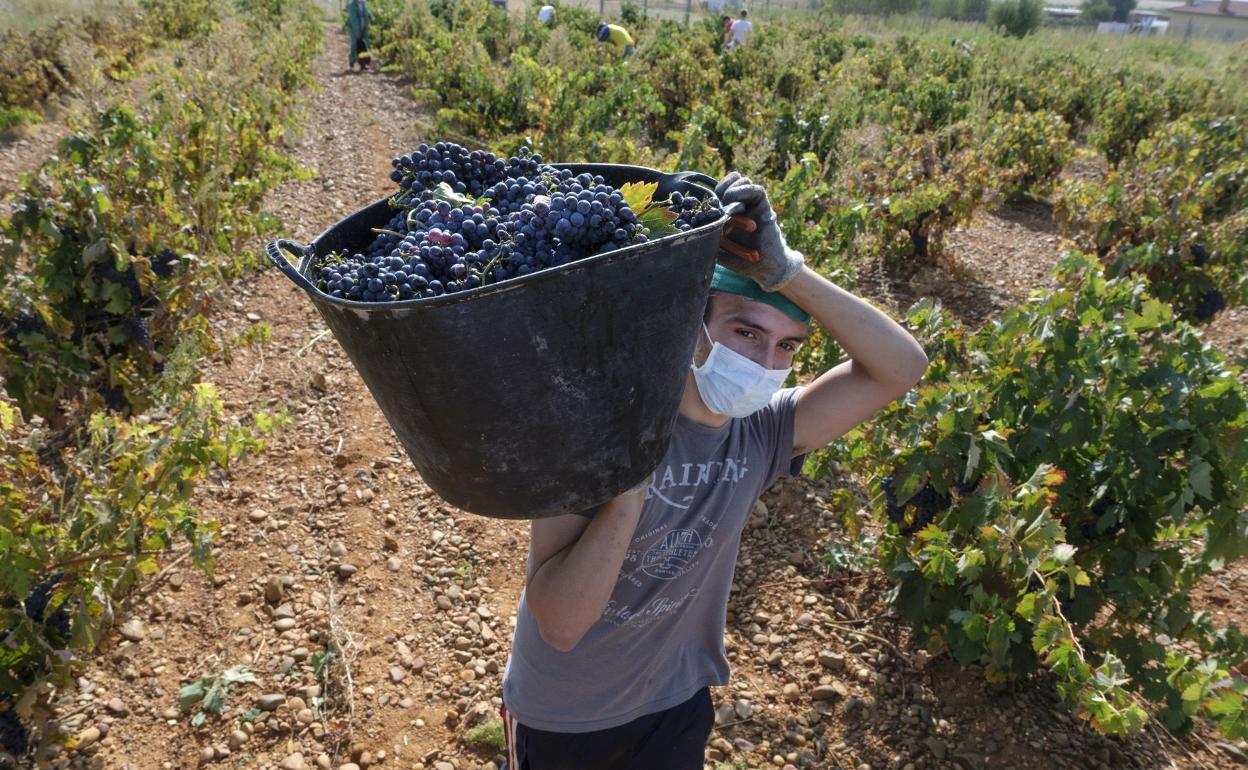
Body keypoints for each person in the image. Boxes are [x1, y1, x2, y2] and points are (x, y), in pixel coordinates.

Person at [497, 173, 929, 770]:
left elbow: (902, 367)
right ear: (692, 325)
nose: (765, 363)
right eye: (746, 332)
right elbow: (563, 625)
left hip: (677, 703)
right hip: (564, 715)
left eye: (787, 347)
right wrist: (629, 489)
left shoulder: (763, 432)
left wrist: (787, 275)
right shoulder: (598, 429)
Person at [346, 0, 373, 71]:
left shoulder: (364, 3)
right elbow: (353, 19)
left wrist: (371, 17)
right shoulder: (352, 5)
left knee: (365, 45)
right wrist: (357, 31)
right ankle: (352, 61)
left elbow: (367, 13)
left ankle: (363, 64)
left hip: (364, 28)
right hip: (355, 29)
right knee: (354, 45)